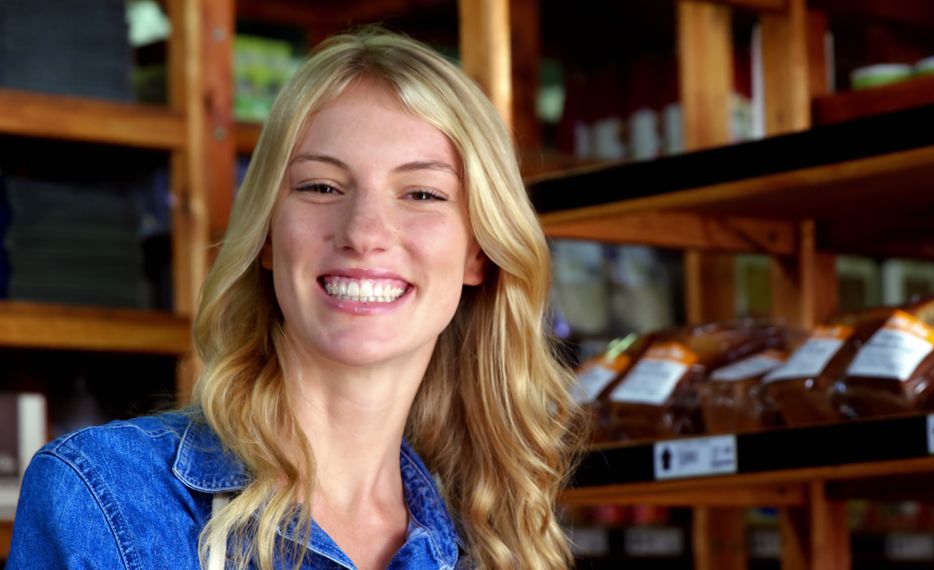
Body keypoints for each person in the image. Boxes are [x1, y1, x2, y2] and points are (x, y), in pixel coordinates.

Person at [8, 28, 583, 569]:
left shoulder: (492, 541)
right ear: (266, 235)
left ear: (478, 253)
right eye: (321, 186)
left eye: (422, 193)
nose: (363, 232)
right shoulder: (103, 496)